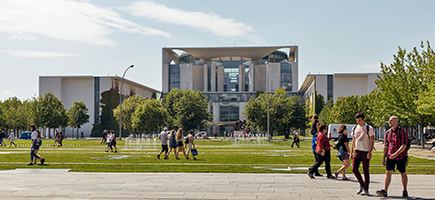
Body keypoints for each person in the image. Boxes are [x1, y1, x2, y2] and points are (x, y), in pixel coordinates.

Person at [376, 116, 409, 198]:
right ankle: (385, 190)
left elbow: (404, 145)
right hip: (390, 156)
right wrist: (384, 158)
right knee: (388, 172)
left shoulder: (402, 131)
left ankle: (405, 190)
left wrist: (396, 154)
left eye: (391, 121)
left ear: (396, 122)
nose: (389, 122)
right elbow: (386, 146)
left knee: (402, 173)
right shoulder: (387, 132)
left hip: (401, 156)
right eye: (389, 120)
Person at [350, 112, 374, 196]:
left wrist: (369, 152)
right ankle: (362, 184)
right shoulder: (355, 128)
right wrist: (351, 152)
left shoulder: (368, 128)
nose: (358, 122)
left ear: (363, 119)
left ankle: (366, 188)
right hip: (357, 150)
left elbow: (372, 141)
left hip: (365, 151)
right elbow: (353, 140)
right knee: (354, 169)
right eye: (357, 120)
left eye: (360, 120)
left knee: (365, 170)